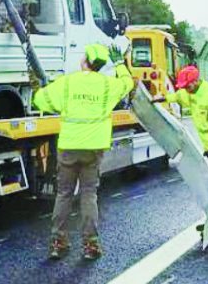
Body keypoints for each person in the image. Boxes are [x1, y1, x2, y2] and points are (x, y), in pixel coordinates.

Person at [33, 44, 134, 261]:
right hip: (93, 149)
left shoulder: (68, 82)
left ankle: (58, 244)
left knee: (64, 193)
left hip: (68, 147)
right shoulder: (108, 85)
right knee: (89, 194)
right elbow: (128, 83)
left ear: (84, 60)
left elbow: (40, 100)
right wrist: (120, 64)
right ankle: (91, 245)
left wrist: (42, 88)